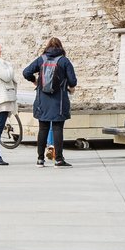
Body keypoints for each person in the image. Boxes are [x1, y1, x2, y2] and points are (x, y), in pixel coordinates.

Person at [22, 37, 78, 167]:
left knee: (43, 129)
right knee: (58, 129)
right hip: (59, 101)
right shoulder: (64, 61)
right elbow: (73, 81)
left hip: (42, 100)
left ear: (47, 47)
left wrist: (34, 80)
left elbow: (26, 72)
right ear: (60, 47)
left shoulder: (41, 59)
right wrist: (70, 86)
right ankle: (58, 159)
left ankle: (40, 159)